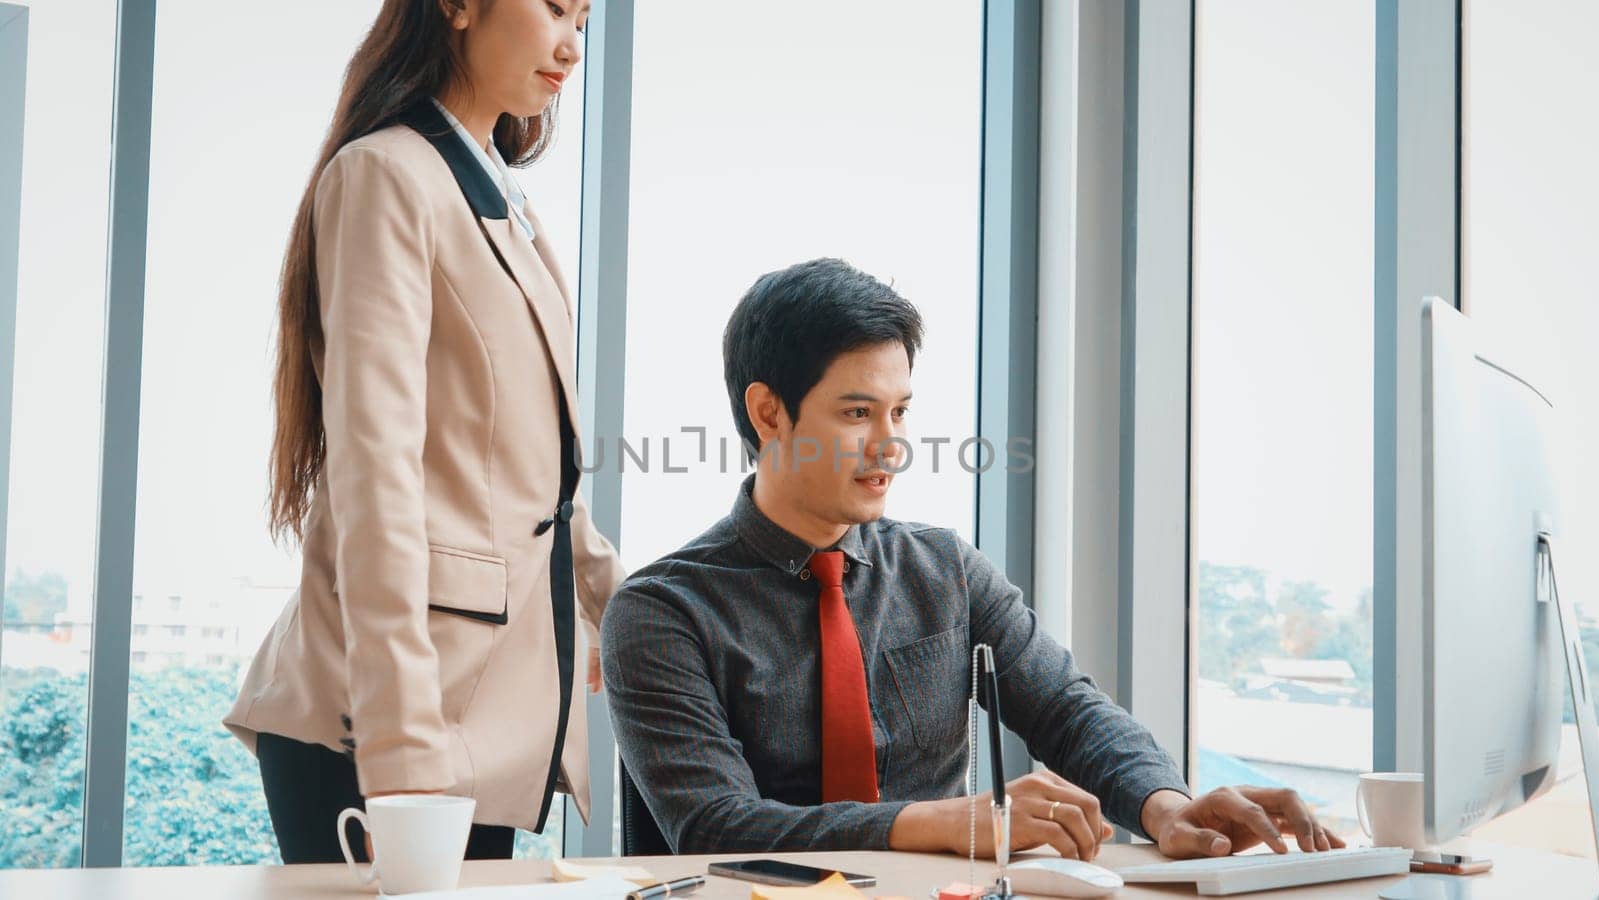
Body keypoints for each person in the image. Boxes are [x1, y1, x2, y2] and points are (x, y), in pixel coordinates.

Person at [602, 258, 1346, 860]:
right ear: (770, 413)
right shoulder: (663, 610)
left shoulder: (945, 570)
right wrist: (954, 822)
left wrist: (1169, 806)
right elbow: (714, 827)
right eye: (858, 413)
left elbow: (1067, 711)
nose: (892, 447)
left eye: (900, 412)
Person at [225, 0, 624, 863]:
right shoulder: (387, 175)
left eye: (585, 21)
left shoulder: (496, 193)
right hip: (383, 722)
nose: (571, 45)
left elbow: (537, 479)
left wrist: (616, 607)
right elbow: (376, 475)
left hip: (481, 714)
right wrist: (403, 753)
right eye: (556, 7)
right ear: (458, 5)